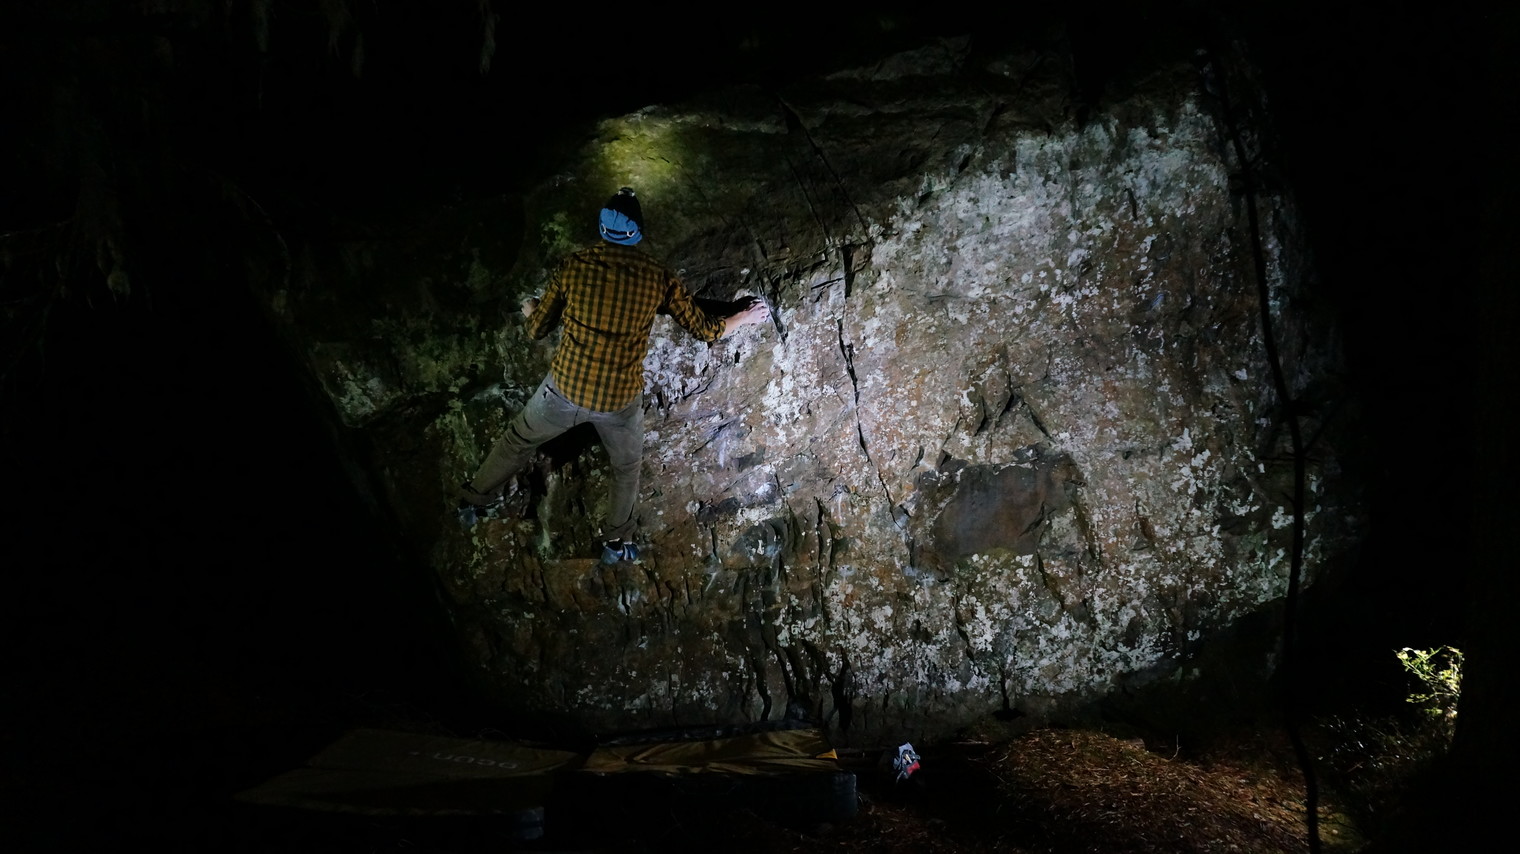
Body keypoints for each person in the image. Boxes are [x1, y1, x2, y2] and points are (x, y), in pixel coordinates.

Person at [457, 187, 771, 564]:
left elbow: (537, 329)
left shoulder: (574, 266)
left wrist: (531, 308)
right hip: (617, 401)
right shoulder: (658, 278)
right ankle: (616, 541)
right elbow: (705, 330)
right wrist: (743, 317)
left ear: (602, 229)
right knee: (625, 468)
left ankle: (472, 501)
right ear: (637, 233)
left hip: (563, 391)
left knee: (517, 441)